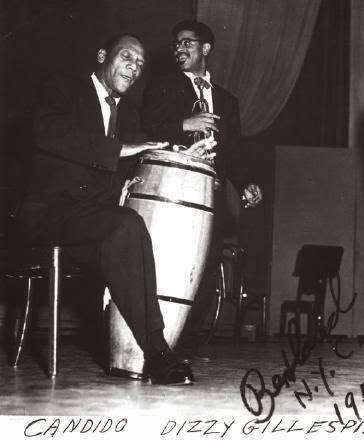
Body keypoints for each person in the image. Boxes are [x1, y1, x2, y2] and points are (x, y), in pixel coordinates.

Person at [18, 33, 212, 385]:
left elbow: (146, 147)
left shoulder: (128, 115)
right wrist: (118, 148)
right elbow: (46, 131)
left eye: (140, 64)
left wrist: (181, 155)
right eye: (127, 57)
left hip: (90, 223)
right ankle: (156, 351)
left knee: (130, 229)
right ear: (103, 55)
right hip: (47, 215)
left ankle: (148, 353)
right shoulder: (63, 87)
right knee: (126, 226)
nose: (134, 67)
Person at [141, 20, 262, 357]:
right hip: (173, 192)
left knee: (206, 270)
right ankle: (156, 344)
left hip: (213, 195)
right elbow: (148, 125)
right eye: (176, 44)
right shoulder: (162, 85)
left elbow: (234, 153)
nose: (179, 49)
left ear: (205, 48)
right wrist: (184, 124)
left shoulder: (227, 100)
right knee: (168, 265)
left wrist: (246, 182)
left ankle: (185, 347)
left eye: (187, 43)